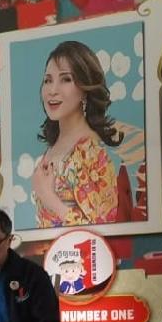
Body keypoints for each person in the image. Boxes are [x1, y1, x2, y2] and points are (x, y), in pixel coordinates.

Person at [31, 40, 123, 228]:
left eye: (66, 79)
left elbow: (104, 229)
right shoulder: (52, 148)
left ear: (85, 89)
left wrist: (49, 198)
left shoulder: (92, 152)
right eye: (48, 80)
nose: (52, 90)